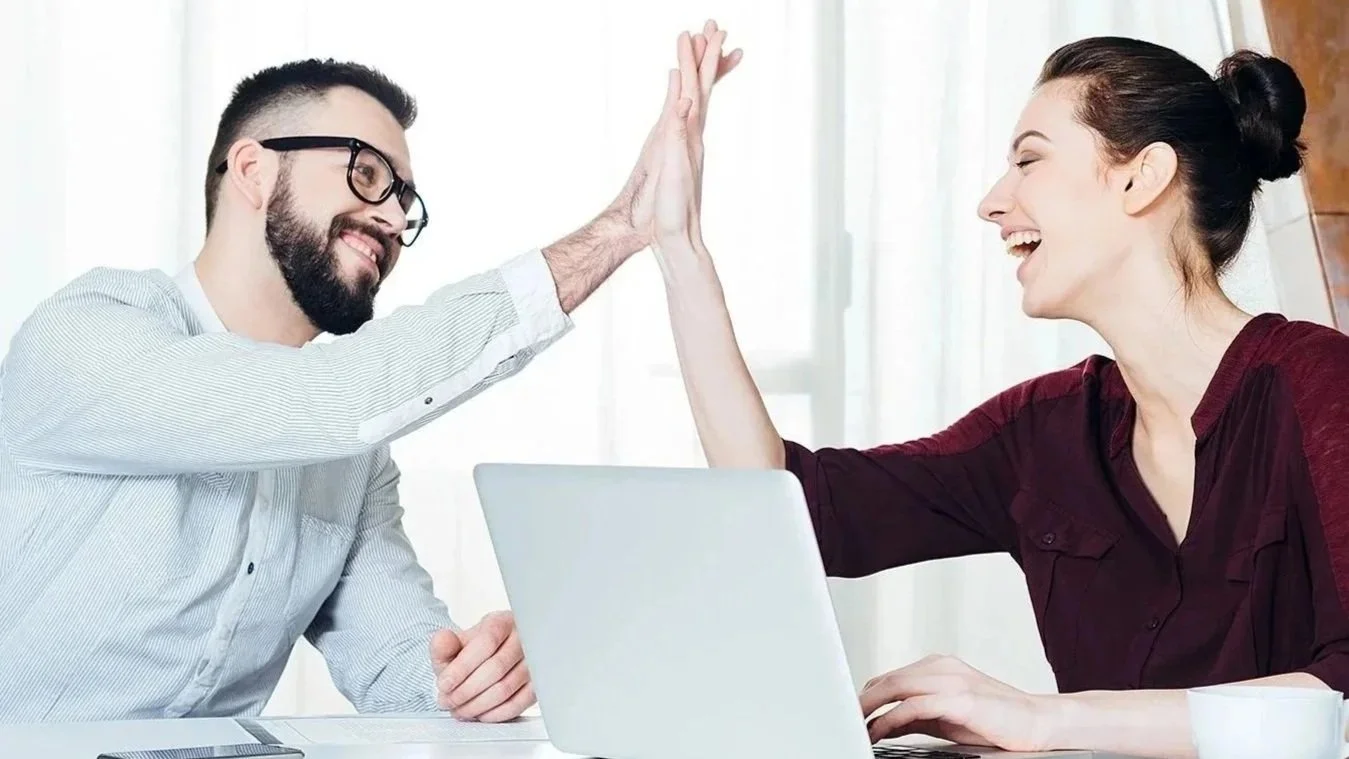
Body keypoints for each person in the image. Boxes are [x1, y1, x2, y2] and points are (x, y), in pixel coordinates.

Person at [0, 25, 741, 723]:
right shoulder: (88, 332)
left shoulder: (350, 457)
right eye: (365, 173)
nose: (390, 216)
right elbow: (330, 400)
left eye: (404, 199)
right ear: (253, 170)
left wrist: (468, 674)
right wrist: (623, 226)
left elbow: (393, 663)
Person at [646, 31, 1346, 758]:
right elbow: (791, 510)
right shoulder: (1042, 432)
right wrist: (678, 245)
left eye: (1029, 160)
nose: (990, 202)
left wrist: (1046, 720)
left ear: (1141, 178)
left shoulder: (1321, 388)